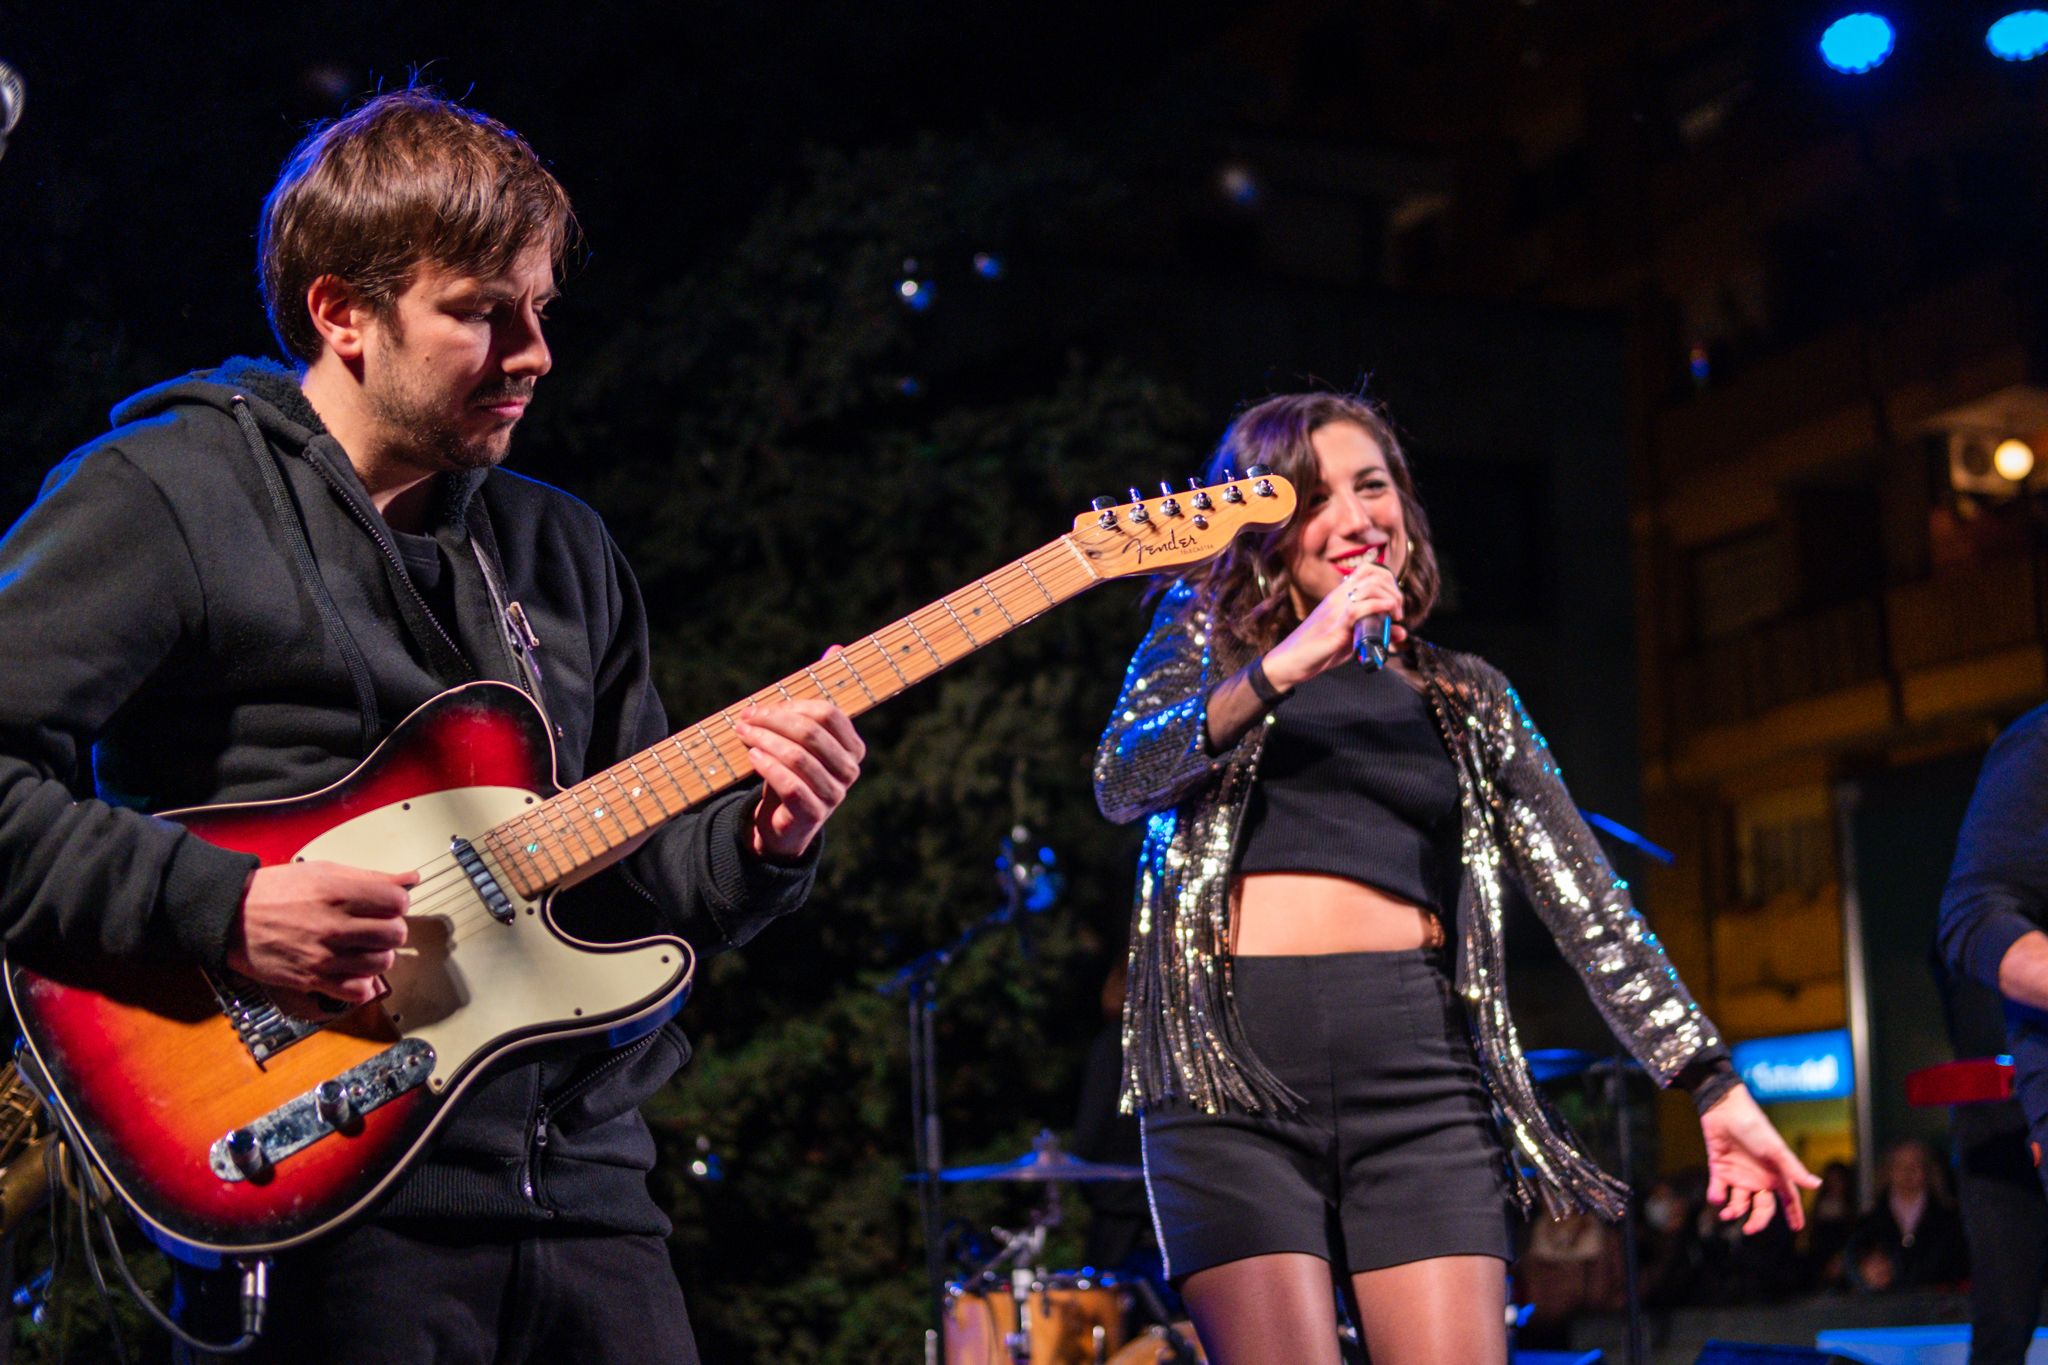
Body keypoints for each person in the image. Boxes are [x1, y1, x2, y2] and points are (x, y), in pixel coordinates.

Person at [0, 90, 864, 1363]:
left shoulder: (559, 547)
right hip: (322, 1205)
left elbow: (634, 886)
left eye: (541, 311)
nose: (534, 353)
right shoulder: (167, 496)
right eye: (481, 312)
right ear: (342, 312)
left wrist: (764, 842)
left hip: (589, 1201)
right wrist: (222, 907)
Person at [1092, 391, 1816, 1365]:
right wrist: (1285, 666)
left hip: (1417, 1073)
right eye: (1312, 498)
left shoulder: (1464, 694)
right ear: (1259, 528)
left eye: (1372, 486)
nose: (1354, 517)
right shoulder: (1206, 642)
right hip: (1227, 1081)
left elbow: (1589, 901)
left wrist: (1711, 1083)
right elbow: (1122, 778)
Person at [1842, 1140, 1967, 1294]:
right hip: (1888, 1310)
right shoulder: (1869, 1223)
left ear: (1928, 1170)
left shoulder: (1950, 1220)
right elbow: (1853, 1268)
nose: (1908, 1171)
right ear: (1888, 1171)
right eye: (1900, 1165)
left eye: (1916, 1164)